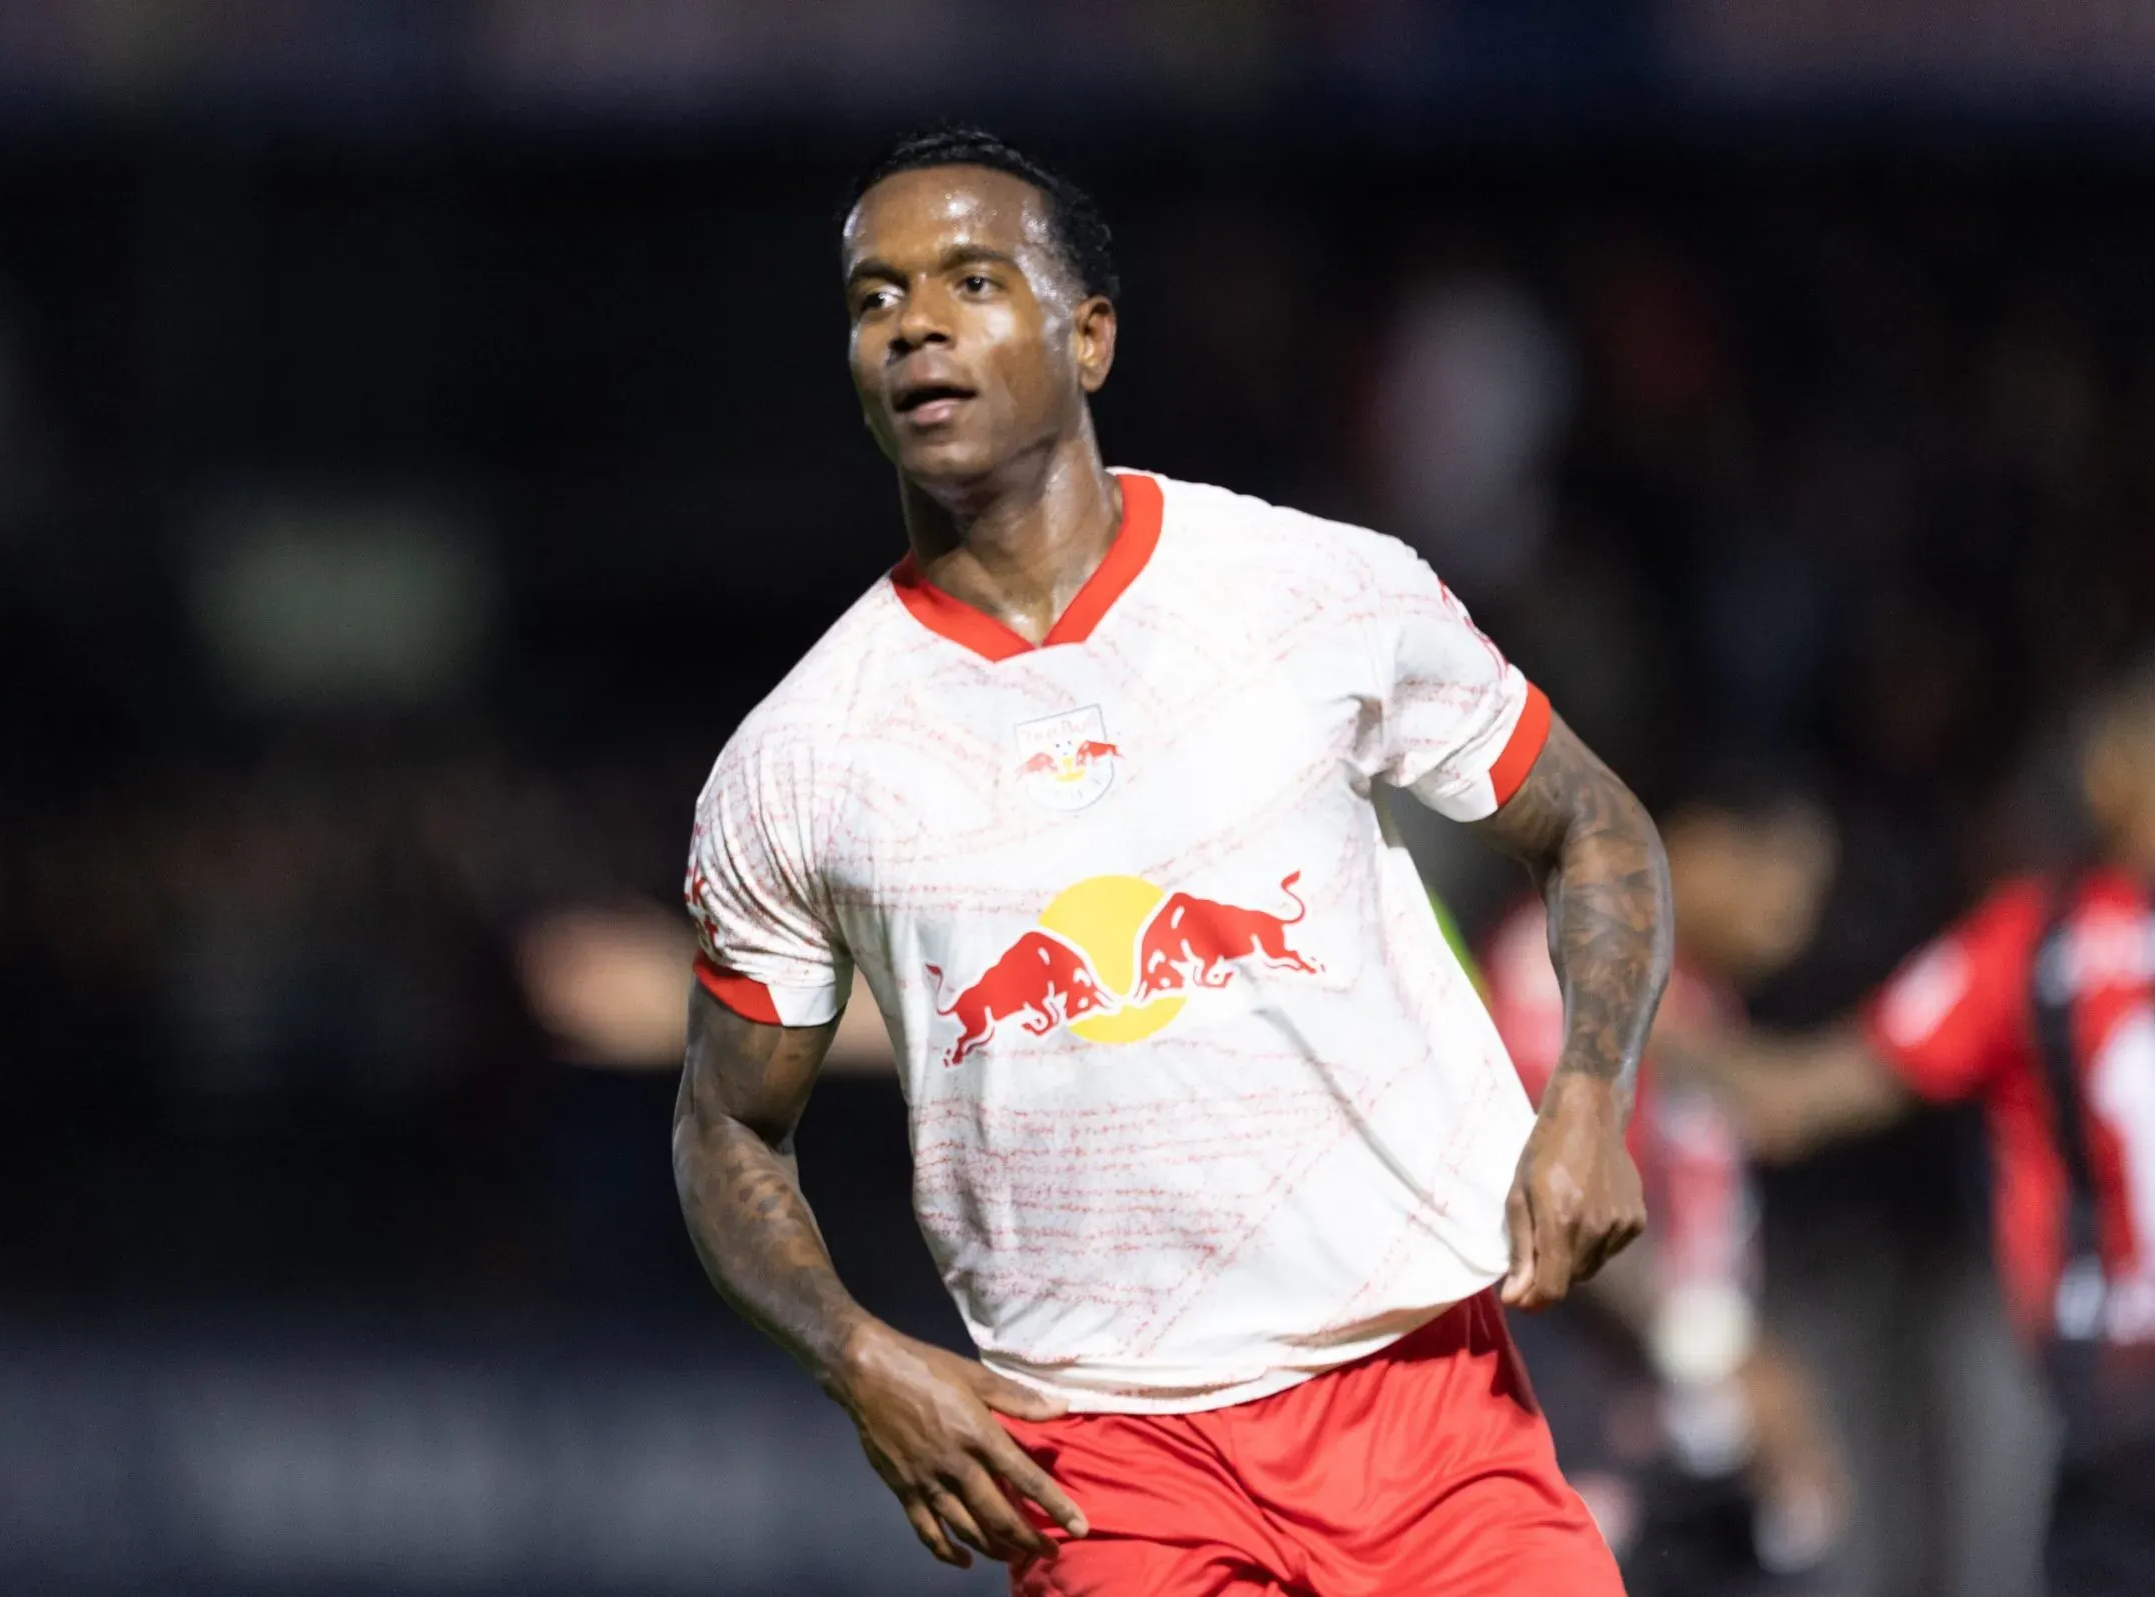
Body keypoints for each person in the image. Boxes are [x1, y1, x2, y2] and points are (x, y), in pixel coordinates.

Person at [669, 126, 1674, 1596]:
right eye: (875, 297)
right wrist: (856, 1356)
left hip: (1421, 1399)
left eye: (970, 280)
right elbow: (725, 1124)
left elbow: (1591, 825)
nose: (915, 324)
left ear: (1089, 337)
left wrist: (1586, 1093)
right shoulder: (803, 754)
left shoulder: (1314, 589)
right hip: (1104, 1467)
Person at [1667, 650, 2155, 1597]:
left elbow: (1787, 1101)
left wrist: (1627, 1014)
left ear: (2112, 776)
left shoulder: (2034, 940)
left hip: (2118, 1413)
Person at [1483, 778, 1844, 1589]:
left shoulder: (1700, 997)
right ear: (1700, 844)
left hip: (1679, 1423)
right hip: (1567, 1394)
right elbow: (1550, 1191)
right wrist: (1717, 1352)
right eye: (1777, 881)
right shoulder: (1562, 956)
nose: (1792, 923)